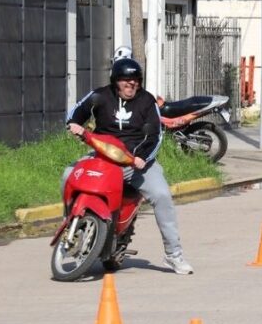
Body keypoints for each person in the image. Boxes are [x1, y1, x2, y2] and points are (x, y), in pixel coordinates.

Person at [65, 57, 193, 275]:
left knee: (162, 195)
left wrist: (142, 157)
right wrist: (75, 124)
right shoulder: (100, 96)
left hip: (134, 163)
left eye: (135, 80)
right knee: (68, 175)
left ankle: (174, 255)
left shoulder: (147, 101)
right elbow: (77, 111)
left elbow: (156, 136)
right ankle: (73, 227)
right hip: (102, 157)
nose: (130, 84)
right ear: (116, 81)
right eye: (125, 80)